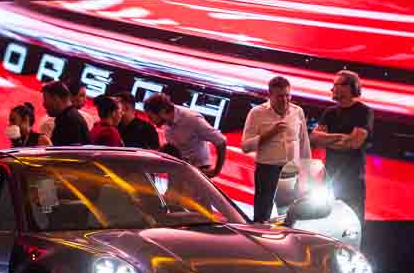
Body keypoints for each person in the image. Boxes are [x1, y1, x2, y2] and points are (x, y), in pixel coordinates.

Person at [241, 75, 313, 222]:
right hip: (267, 169)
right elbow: (246, 147)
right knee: (262, 214)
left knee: (290, 215)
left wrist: (307, 172)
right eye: (280, 96)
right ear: (270, 96)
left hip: (291, 170)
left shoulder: (297, 111)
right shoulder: (257, 113)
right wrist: (269, 134)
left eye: (288, 95)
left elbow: (304, 143)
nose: (285, 100)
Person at [310, 70, 374, 227]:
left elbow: (354, 143)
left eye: (337, 85)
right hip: (329, 178)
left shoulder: (364, 111)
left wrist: (328, 140)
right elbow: (315, 139)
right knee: (325, 222)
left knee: (353, 225)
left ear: (350, 88)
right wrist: (341, 137)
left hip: (353, 180)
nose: (332, 89)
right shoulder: (329, 112)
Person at [143, 93, 227, 178]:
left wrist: (216, 171)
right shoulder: (166, 120)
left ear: (162, 112)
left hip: (198, 171)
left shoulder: (192, 119)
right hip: (180, 169)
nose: (150, 120)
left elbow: (221, 141)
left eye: (151, 117)